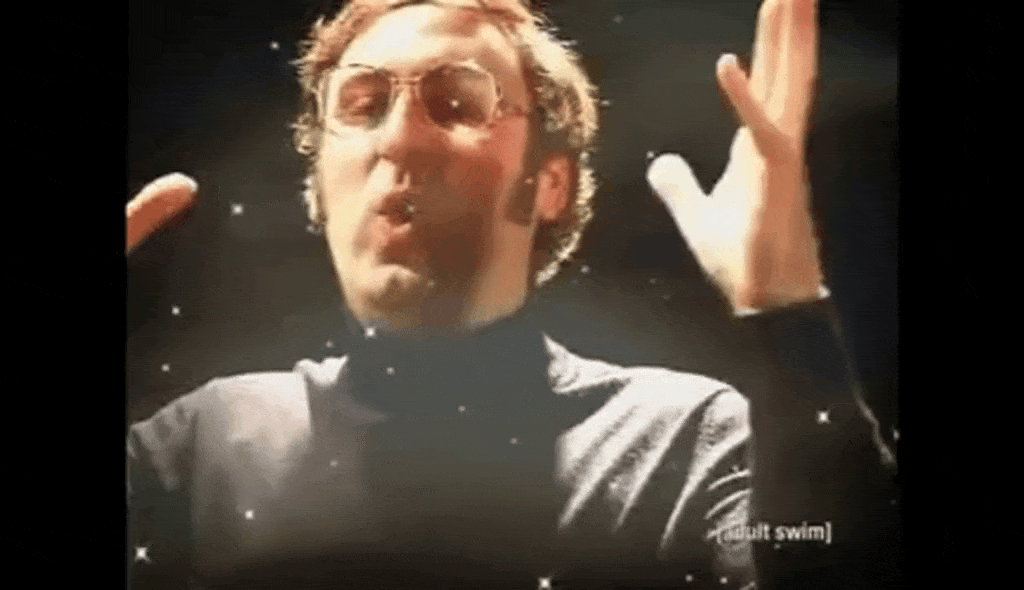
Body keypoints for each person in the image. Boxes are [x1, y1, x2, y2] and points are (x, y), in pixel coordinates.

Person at [126, 1, 899, 588]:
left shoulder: (683, 441)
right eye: (360, 105)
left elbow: (831, 560)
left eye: (459, 101)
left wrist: (791, 318)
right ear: (318, 189)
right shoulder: (201, 448)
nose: (399, 139)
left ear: (550, 182)